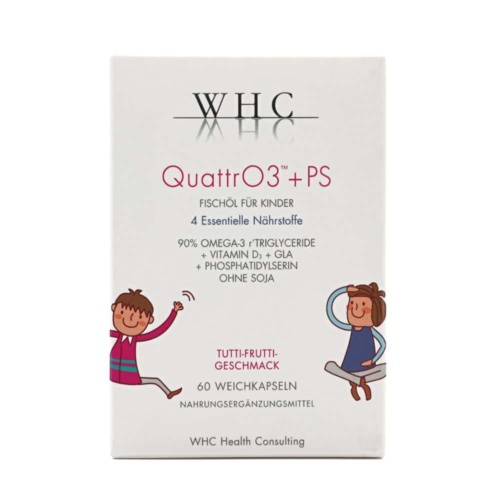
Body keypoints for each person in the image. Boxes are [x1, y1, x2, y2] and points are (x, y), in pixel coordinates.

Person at [110, 288, 184, 399]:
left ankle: (169, 393)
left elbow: (159, 331)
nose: (130, 320)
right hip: (115, 375)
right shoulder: (116, 335)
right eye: (122, 312)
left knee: (156, 380)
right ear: (114, 308)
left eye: (139, 317)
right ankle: (169, 393)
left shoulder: (134, 339)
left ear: (150, 320)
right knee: (155, 381)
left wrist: (174, 312)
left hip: (129, 377)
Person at [325, 283, 386, 401]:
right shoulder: (350, 327)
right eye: (352, 303)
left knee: (385, 369)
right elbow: (331, 313)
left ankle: (355, 380)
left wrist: (372, 360)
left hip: (366, 369)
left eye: (363, 305)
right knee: (329, 366)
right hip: (350, 367)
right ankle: (359, 381)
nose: (355, 309)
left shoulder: (371, 331)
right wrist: (344, 290)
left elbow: (383, 345)